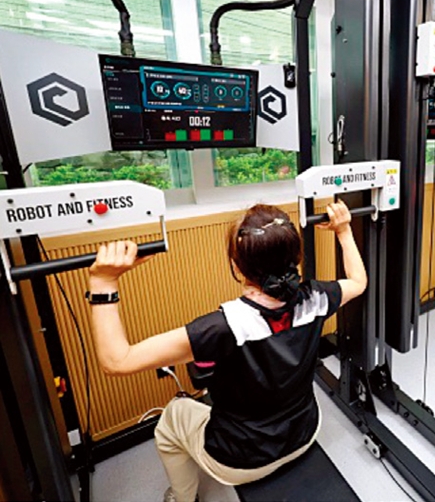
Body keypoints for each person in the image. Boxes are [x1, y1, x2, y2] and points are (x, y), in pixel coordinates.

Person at [86, 201, 367, 502]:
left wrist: (103, 282)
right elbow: (358, 282)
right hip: (305, 432)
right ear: (297, 258)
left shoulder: (221, 327)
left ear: (236, 266)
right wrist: (344, 230)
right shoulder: (318, 298)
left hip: (241, 462)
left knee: (173, 416)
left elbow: (117, 361)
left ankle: (182, 498)